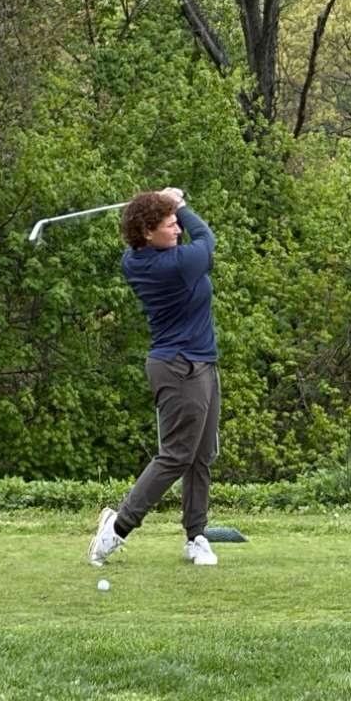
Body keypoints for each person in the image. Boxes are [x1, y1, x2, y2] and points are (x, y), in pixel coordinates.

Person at [88, 187, 222, 567]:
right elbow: (208, 242)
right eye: (170, 224)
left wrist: (163, 206)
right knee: (177, 455)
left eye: (177, 222)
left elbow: (182, 238)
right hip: (180, 368)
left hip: (202, 364)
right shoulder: (176, 265)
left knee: (201, 455)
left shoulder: (136, 258)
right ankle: (118, 527)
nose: (178, 228)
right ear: (147, 233)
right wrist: (181, 203)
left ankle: (196, 536)